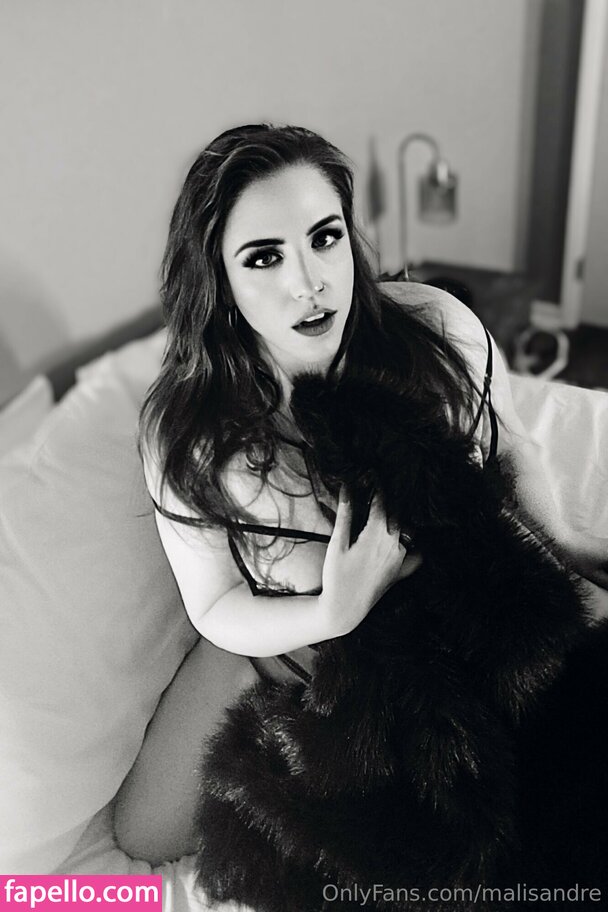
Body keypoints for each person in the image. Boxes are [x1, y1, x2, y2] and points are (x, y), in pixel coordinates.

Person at [113, 123, 608, 865]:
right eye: (264, 257)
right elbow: (213, 605)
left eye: (325, 238)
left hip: (459, 621)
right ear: (218, 278)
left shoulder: (437, 327)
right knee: (141, 839)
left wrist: (562, 537)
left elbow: (508, 444)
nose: (309, 282)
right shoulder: (189, 430)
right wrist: (331, 612)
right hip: (299, 647)